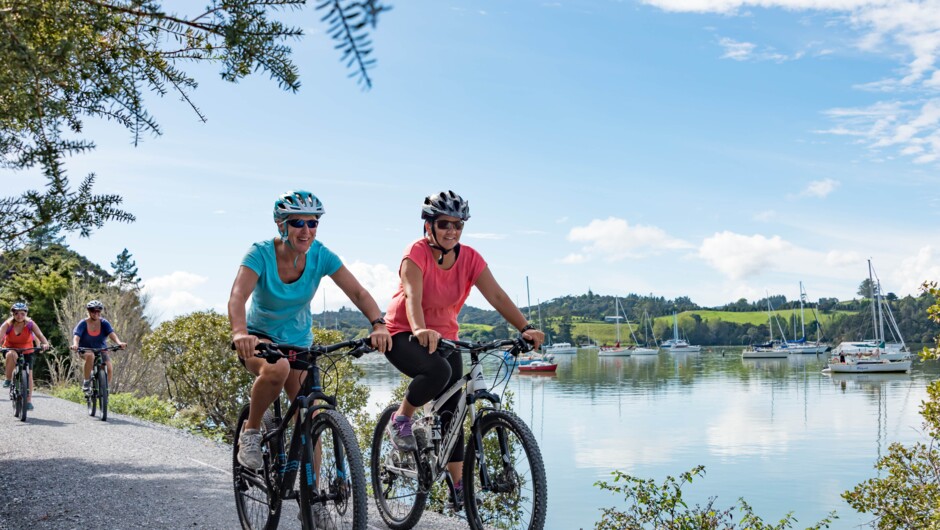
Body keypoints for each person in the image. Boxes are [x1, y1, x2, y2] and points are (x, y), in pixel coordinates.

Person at [382, 190, 545, 509]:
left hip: (446, 337)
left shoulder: (470, 258)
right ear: (428, 225)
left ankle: (458, 486)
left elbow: (497, 297)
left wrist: (524, 328)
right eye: (445, 224)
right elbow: (413, 297)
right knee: (438, 371)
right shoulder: (415, 253)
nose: (452, 231)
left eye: (458, 225)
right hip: (403, 333)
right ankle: (401, 419)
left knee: (453, 411)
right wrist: (419, 329)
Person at [228, 190, 392, 474]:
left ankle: (315, 500)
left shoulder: (321, 255)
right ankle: (251, 432)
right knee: (276, 368)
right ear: (282, 224)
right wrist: (240, 332)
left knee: (311, 414)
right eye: (298, 223)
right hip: (259, 338)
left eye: (313, 222)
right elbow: (238, 295)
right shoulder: (260, 253)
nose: (306, 230)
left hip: (299, 343)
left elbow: (357, 291)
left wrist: (378, 323)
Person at [1, 302, 51, 410]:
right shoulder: (7, 324)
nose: (19, 316)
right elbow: (0, 336)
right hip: (11, 348)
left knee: (29, 375)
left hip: (27, 350)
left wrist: (45, 343)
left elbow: (40, 335)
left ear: (26, 314)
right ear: (13, 314)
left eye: (22, 314)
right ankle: (8, 379)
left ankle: (28, 401)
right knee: (11, 354)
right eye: (17, 313)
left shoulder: (30, 324)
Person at [69, 300, 127, 392]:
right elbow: (77, 336)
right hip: (85, 349)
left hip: (101, 349)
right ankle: (87, 382)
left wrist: (119, 342)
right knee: (90, 356)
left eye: (98, 311)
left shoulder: (104, 323)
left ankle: (104, 389)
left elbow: (111, 334)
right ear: (89, 311)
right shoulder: (83, 323)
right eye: (93, 311)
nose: (96, 313)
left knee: (109, 367)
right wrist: (75, 345)